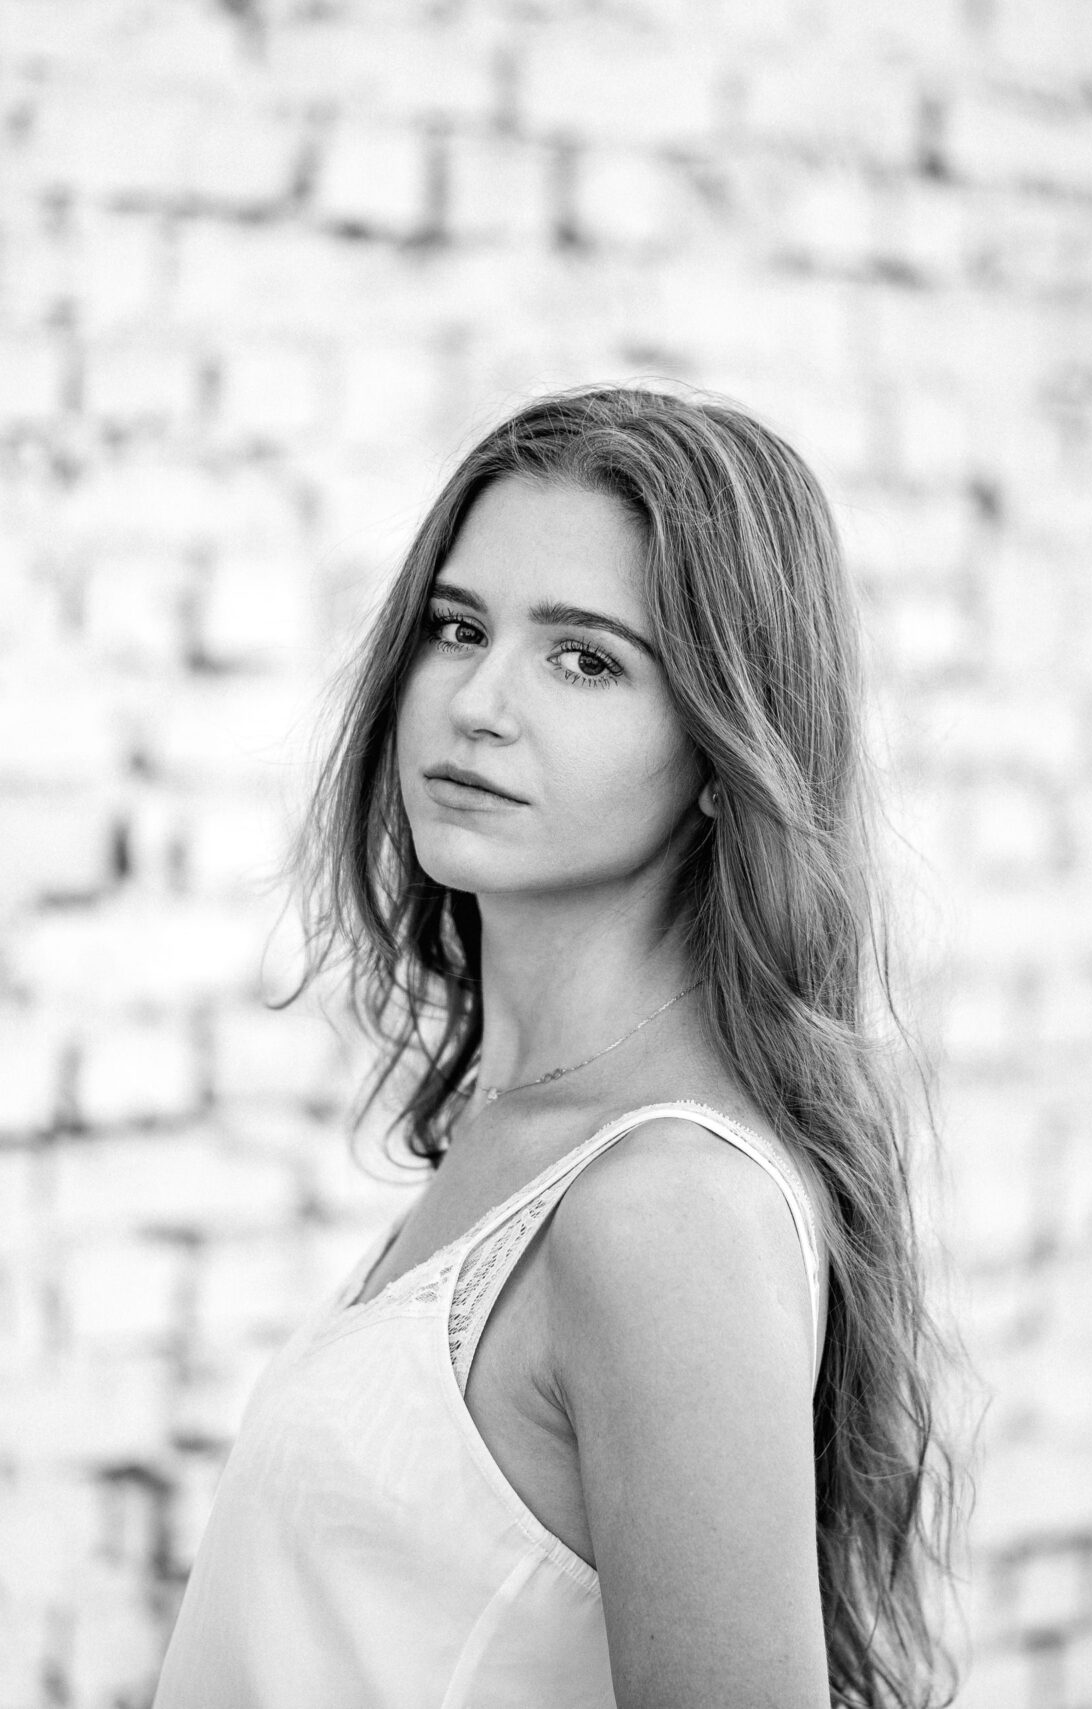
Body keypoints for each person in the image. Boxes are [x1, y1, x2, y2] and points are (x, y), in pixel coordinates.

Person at [151, 386, 957, 1708]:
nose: (477, 701)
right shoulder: (526, 1133)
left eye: (585, 659)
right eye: (458, 627)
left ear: (724, 748)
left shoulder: (666, 1208)